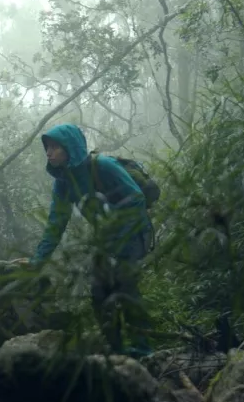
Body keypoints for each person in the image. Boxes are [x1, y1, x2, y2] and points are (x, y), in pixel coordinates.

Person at [25, 122, 154, 357]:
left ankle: (144, 350)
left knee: (126, 287)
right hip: (106, 240)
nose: (49, 153)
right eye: (47, 147)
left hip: (134, 232)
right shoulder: (63, 183)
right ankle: (116, 351)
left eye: (55, 147)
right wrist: (37, 263)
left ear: (70, 147)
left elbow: (136, 199)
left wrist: (119, 239)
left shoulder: (102, 166)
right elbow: (55, 225)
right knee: (99, 293)